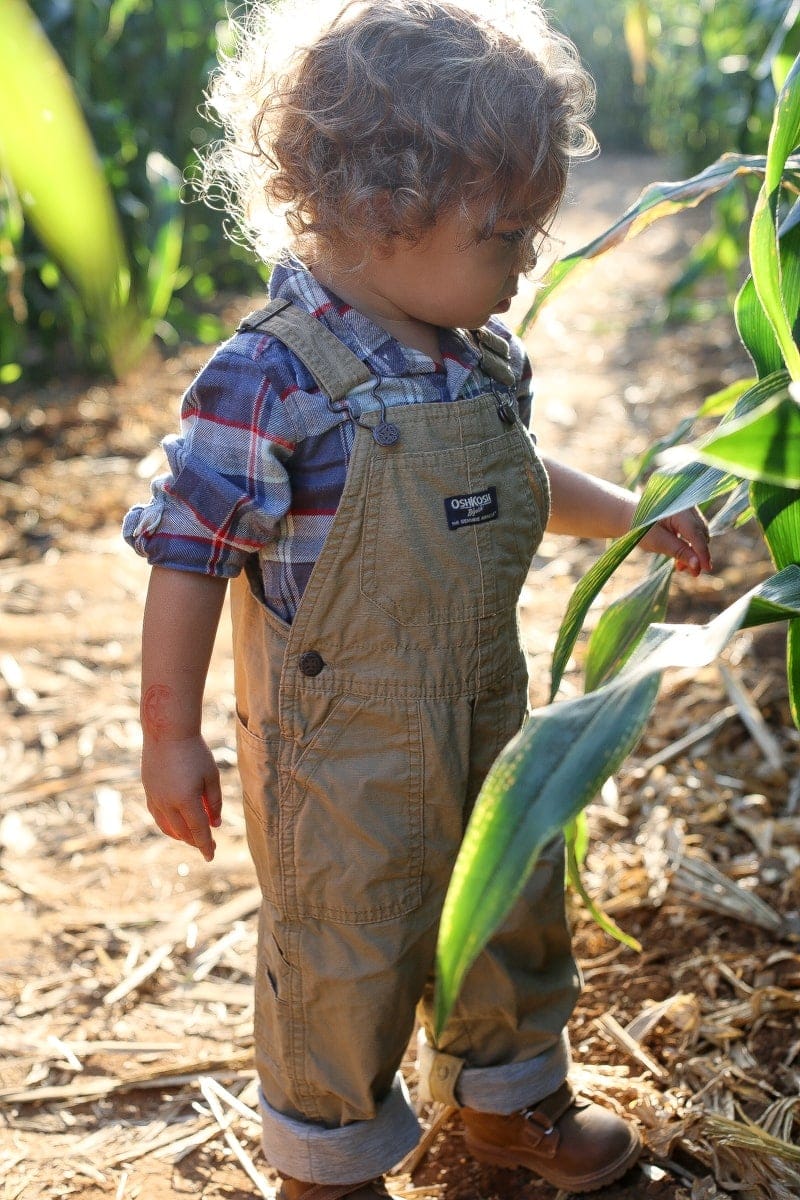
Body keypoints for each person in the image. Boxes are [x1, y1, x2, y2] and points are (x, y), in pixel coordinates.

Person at [123, 2, 712, 1197]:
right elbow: (189, 553)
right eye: (504, 234)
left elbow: (514, 478)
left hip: (484, 709)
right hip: (339, 754)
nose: (525, 261)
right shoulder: (273, 374)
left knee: (510, 901)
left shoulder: (475, 354)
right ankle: (330, 1160)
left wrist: (632, 510)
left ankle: (510, 1104)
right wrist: (167, 732)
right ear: (386, 207)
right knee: (345, 949)